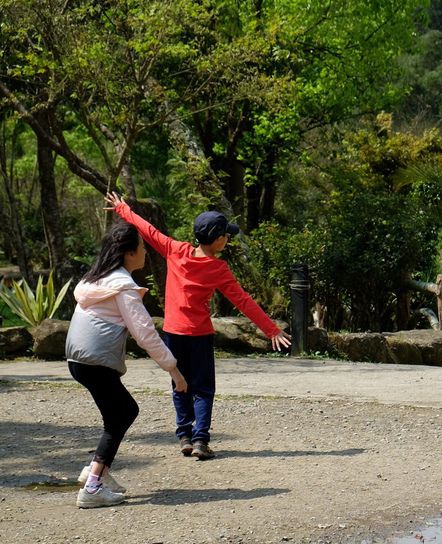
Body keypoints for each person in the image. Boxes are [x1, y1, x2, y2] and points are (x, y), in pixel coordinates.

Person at [104, 192, 291, 460]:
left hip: (172, 333)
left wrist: (122, 208)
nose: (228, 239)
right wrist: (271, 329)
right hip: (200, 336)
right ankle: (201, 440)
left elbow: (148, 230)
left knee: (179, 382)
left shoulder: (175, 250)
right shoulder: (218, 269)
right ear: (217, 239)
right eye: (226, 235)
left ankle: (184, 436)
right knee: (203, 388)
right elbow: (244, 301)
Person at [66, 221, 188, 508]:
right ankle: (93, 484)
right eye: (143, 247)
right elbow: (145, 333)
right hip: (96, 362)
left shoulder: (95, 280)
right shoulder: (122, 286)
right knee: (122, 413)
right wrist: (174, 370)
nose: (146, 252)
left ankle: (98, 473)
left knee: (119, 413)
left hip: (77, 360)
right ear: (129, 253)